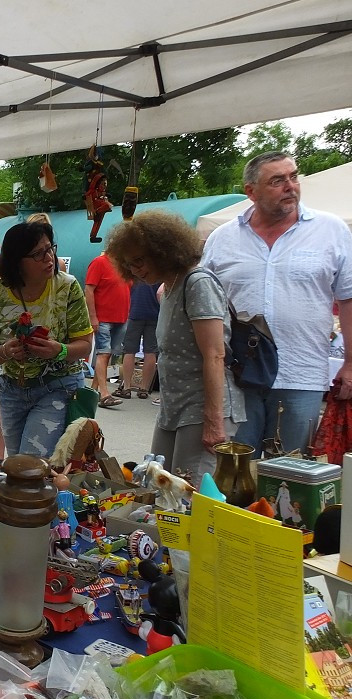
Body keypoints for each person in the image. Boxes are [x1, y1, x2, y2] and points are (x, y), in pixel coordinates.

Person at [200, 150, 352, 456]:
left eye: (294, 177)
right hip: (238, 376)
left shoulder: (331, 230)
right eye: (277, 180)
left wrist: (350, 362)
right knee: (235, 473)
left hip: (301, 376)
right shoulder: (223, 238)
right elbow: (203, 302)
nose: (290, 186)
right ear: (251, 192)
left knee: (291, 478)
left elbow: (348, 299)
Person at [106, 210, 245, 482]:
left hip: (203, 407)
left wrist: (214, 421)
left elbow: (215, 355)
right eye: (130, 264)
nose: (136, 270)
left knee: (187, 494)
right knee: (159, 486)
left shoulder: (198, 283)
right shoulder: (169, 287)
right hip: (175, 405)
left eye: (140, 261)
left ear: (164, 250)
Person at [0, 221, 93, 458]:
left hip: (59, 386)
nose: (49, 257)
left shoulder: (67, 286)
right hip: (12, 390)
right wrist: (7, 351)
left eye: (50, 249)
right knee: (18, 464)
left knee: (31, 464)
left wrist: (58, 350)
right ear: (17, 261)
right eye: (38, 254)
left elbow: (85, 346)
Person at [85, 251, 131, 408]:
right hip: (103, 317)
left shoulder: (124, 265)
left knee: (107, 354)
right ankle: (105, 394)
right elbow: (89, 290)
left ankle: (94, 390)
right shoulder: (99, 262)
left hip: (121, 317)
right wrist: (93, 317)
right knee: (103, 353)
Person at [115, 281, 161, 400]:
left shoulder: (136, 270)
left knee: (129, 350)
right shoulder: (159, 270)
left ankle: (126, 387)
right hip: (155, 313)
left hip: (135, 312)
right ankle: (144, 389)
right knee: (150, 352)